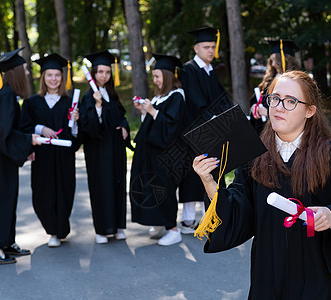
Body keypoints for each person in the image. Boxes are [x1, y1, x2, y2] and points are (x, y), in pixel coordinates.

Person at [193, 70, 331, 299]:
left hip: (319, 281)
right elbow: (239, 213)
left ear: (310, 111)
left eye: (290, 101)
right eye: (274, 98)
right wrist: (209, 181)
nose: (279, 107)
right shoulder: (255, 159)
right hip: (270, 278)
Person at [0, 47, 41, 264]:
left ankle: (4, 242)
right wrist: (28, 140)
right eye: (25, 69)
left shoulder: (7, 95)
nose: (28, 73)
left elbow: (8, 130)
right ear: (14, 73)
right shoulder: (5, 98)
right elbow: (1, 133)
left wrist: (26, 148)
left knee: (7, 200)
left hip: (1, 159)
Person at [20, 53, 81, 248]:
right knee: (42, 193)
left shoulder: (70, 103)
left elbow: (76, 136)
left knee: (64, 191)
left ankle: (59, 230)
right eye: (49, 75)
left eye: (57, 75)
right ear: (43, 78)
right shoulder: (32, 103)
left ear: (62, 78)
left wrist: (75, 122)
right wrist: (41, 129)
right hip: (43, 156)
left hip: (64, 157)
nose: (53, 79)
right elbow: (24, 127)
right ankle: (51, 228)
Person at [178, 26, 232, 234]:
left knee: (214, 171)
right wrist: (216, 119)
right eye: (206, 47)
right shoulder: (188, 69)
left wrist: (231, 115)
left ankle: (212, 216)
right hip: (196, 130)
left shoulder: (210, 71)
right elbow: (194, 102)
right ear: (196, 48)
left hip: (213, 129)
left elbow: (222, 99)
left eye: (212, 47)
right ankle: (188, 219)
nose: (211, 51)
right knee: (194, 175)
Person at [130, 54, 187, 246]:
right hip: (151, 154)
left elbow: (172, 128)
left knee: (164, 190)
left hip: (166, 157)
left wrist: (153, 111)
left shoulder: (177, 96)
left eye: (157, 76)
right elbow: (152, 125)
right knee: (150, 189)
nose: (154, 80)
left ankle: (173, 229)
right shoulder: (159, 97)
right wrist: (145, 112)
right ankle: (159, 222)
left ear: (167, 76)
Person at [79, 50, 130, 244]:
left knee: (117, 184)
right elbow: (88, 126)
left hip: (116, 148)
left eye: (107, 72)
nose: (104, 75)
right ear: (93, 73)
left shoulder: (112, 94)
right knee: (101, 186)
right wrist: (98, 106)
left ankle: (118, 226)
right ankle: (102, 230)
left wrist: (124, 127)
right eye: (100, 71)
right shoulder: (89, 96)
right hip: (98, 150)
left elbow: (121, 116)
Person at [250, 39, 299, 134]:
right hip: (263, 130)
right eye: (271, 60)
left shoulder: (296, 81)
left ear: (284, 60)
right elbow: (255, 100)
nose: (272, 64)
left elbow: (294, 109)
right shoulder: (270, 79)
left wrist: (268, 113)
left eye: (275, 60)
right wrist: (254, 108)